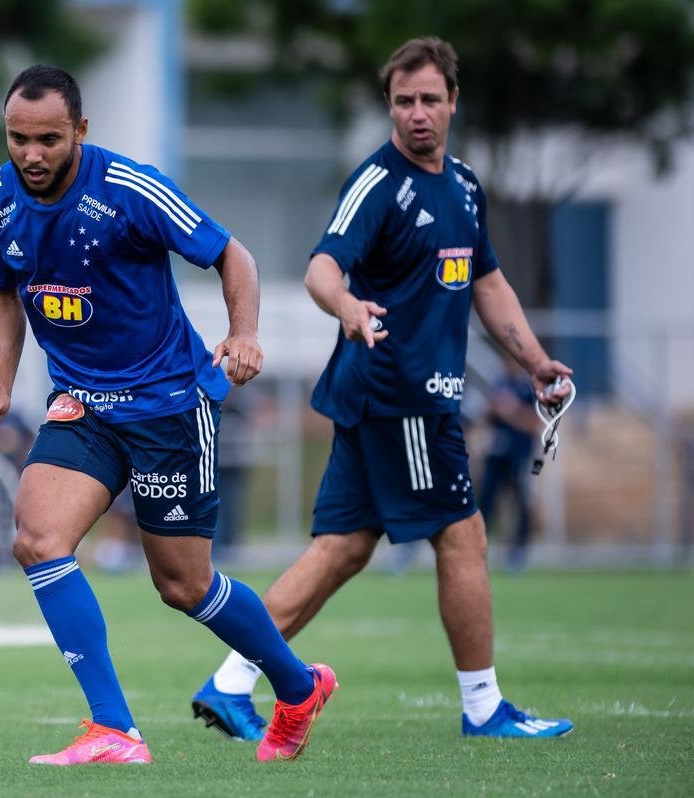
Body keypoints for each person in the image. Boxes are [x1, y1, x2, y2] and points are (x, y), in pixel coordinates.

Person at [190, 37, 575, 742]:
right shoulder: (378, 182)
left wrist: (534, 360)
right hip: (402, 395)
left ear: (454, 102)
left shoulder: (462, 186)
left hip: (392, 399)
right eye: (404, 101)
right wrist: (348, 309)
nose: (418, 113)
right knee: (463, 537)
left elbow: (485, 281)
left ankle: (229, 683)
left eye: (431, 99)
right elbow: (321, 270)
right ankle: (485, 707)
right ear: (389, 105)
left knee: (342, 549)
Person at [0, 64, 334, 765]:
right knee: (38, 539)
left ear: (80, 131)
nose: (31, 155)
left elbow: (233, 255)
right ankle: (114, 729)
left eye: (48, 139)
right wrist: (2, 388)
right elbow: (0, 291)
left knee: (182, 585)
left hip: (169, 403)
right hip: (81, 404)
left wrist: (245, 333)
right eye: (17, 139)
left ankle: (297, 684)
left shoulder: (130, 189)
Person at [479, 351, 539, 572]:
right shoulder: (498, 385)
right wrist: (492, 410)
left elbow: (536, 423)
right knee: (485, 503)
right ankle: (478, 550)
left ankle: (518, 552)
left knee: (522, 504)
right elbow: (485, 417)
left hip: (520, 457)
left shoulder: (530, 389)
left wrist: (512, 412)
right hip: (496, 456)